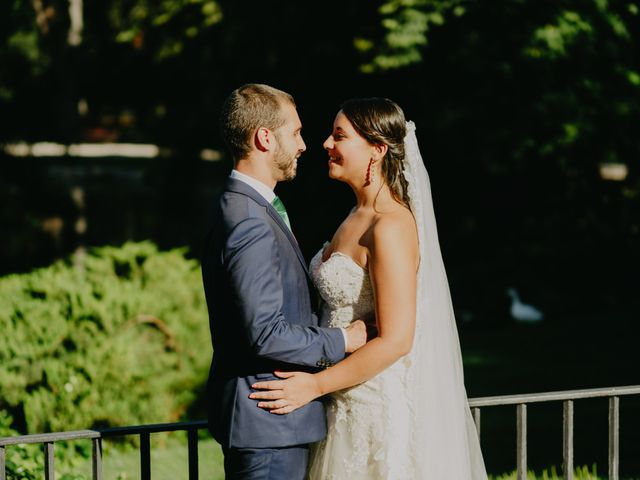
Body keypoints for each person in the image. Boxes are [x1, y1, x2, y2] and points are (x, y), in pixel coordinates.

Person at [250, 97, 488, 479]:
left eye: (339, 136)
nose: (326, 144)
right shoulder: (354, 215)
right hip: (339, 398)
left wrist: (315, 385)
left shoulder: (390, 226)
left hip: (372, 405)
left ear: (377, 149)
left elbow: (396, 339)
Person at [201, 83, 367, 480]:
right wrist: (345, 340)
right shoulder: (249, 220)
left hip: (269, 423)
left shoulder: (243, 206)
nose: (304, 145)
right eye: (295, 132)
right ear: (264, 137)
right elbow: (264, 332)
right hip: (269, 421)